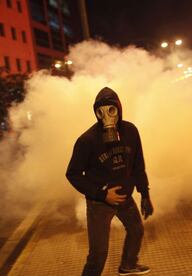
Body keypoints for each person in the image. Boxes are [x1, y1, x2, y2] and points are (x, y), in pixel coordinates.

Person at [66, 87, 154, 276]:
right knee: (98, 254)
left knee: (136, 230)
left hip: (124, 197)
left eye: (111, 110)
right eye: (101, 111)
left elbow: (138, 164)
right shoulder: (87, 141)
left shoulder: (130, 131)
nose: (107, 116)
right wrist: (102, 194)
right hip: (100, 203)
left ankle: (128, 265)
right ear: (96, 113)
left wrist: (144, 194)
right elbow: (72, 174)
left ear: (119, 109)